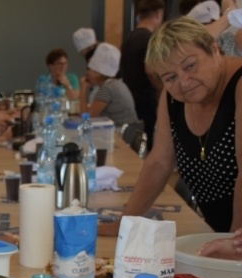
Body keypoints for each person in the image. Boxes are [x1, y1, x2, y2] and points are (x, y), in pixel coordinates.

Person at [109, 17, 242, 235]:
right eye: (170, 77)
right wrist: (125, 223)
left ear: (214, 49)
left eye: (190, 66)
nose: (184, 82)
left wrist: (236, 242)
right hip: (218, 233)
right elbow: (159, 163)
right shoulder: (172, 99)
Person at [119, 0, 165, 147]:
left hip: (130, 97)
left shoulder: (129, 37)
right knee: (148, 144)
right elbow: (150, 71)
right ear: (158, 14)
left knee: (136, 143)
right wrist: (163, 90)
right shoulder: (149, 39)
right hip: (146, 100)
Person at [79, 43, 139, 127]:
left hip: (123, 137)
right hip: (131, 134)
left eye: (89, 69)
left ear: (98, 73)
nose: (86, 73)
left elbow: (86, 120)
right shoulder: (116, 84)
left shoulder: (107, 88)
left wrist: (83, 90)